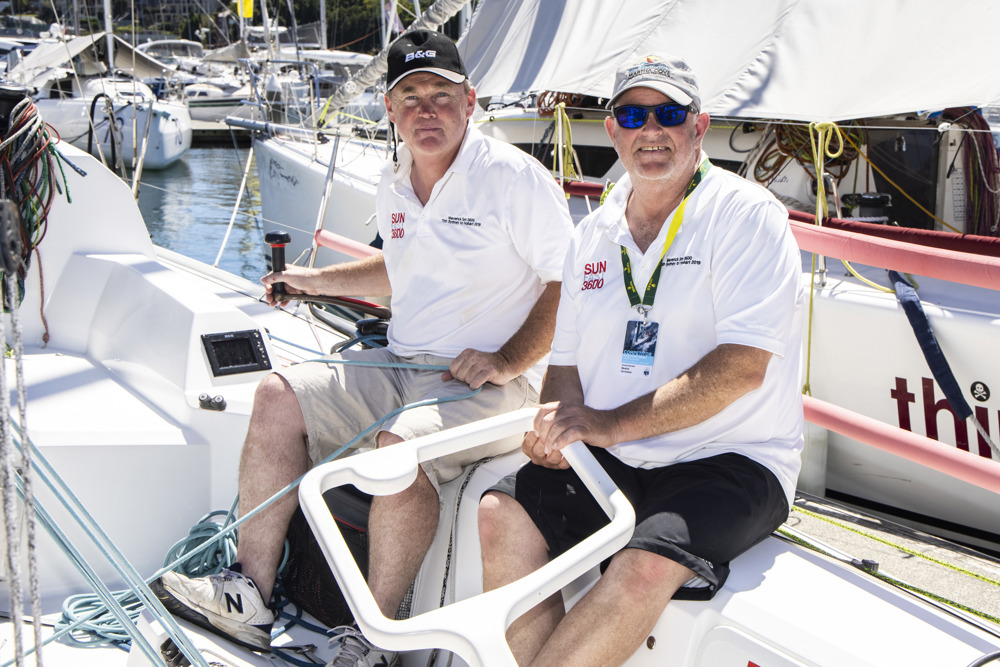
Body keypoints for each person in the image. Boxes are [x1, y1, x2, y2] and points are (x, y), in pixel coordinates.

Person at [152, 30, 573, 666]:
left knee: (395, 449)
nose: (425, 111)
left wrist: (509, 359)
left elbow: (569, 278)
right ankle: (248, 595)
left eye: (440, 95)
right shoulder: (395, 179)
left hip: (494, 386)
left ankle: (374, 640)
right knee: (276, 395)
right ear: (390, 109)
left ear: (470, 100)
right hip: (400, 362)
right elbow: (399, 269)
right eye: (410, 98)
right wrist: (310, 279)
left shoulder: (511, 177)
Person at [477, 54, 805, 666]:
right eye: (632, 114)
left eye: (669, 114)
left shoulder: (745, 216)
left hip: (731, 460)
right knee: (502, 512)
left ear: (699, 126)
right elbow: (567, 363)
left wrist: (603, 426)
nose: (650, 130)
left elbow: (742, 366)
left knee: (642, 566)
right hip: (617, 453)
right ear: (613, 130)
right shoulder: (593, 234)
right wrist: (558, 426)